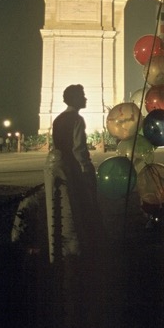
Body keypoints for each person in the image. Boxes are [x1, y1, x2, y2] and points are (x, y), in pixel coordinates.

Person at [50, 84, 103, 251]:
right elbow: (79, 149)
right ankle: (90, 244)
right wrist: (86, 169)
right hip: (76, 169)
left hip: (61, 167)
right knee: (85, 205)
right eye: (82, 95)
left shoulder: (58, 119)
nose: (85, 98)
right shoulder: (77, 119)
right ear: (75, 99)